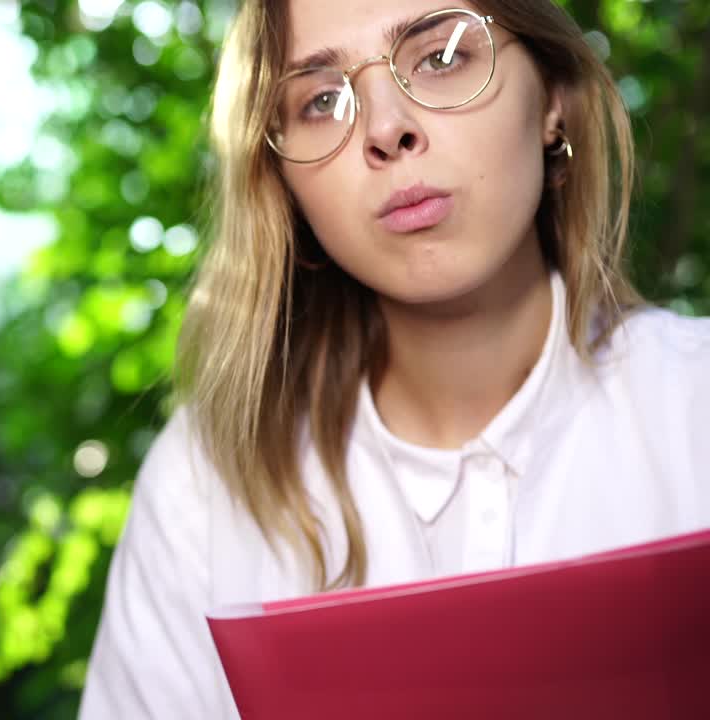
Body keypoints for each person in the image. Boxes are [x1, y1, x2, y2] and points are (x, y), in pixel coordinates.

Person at [78, 0, 710, 717]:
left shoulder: (696, 410)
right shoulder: (205, 485)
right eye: (320, 100)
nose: (385, 128)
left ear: (553, 101)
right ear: (284, 185)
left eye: (441, 58)